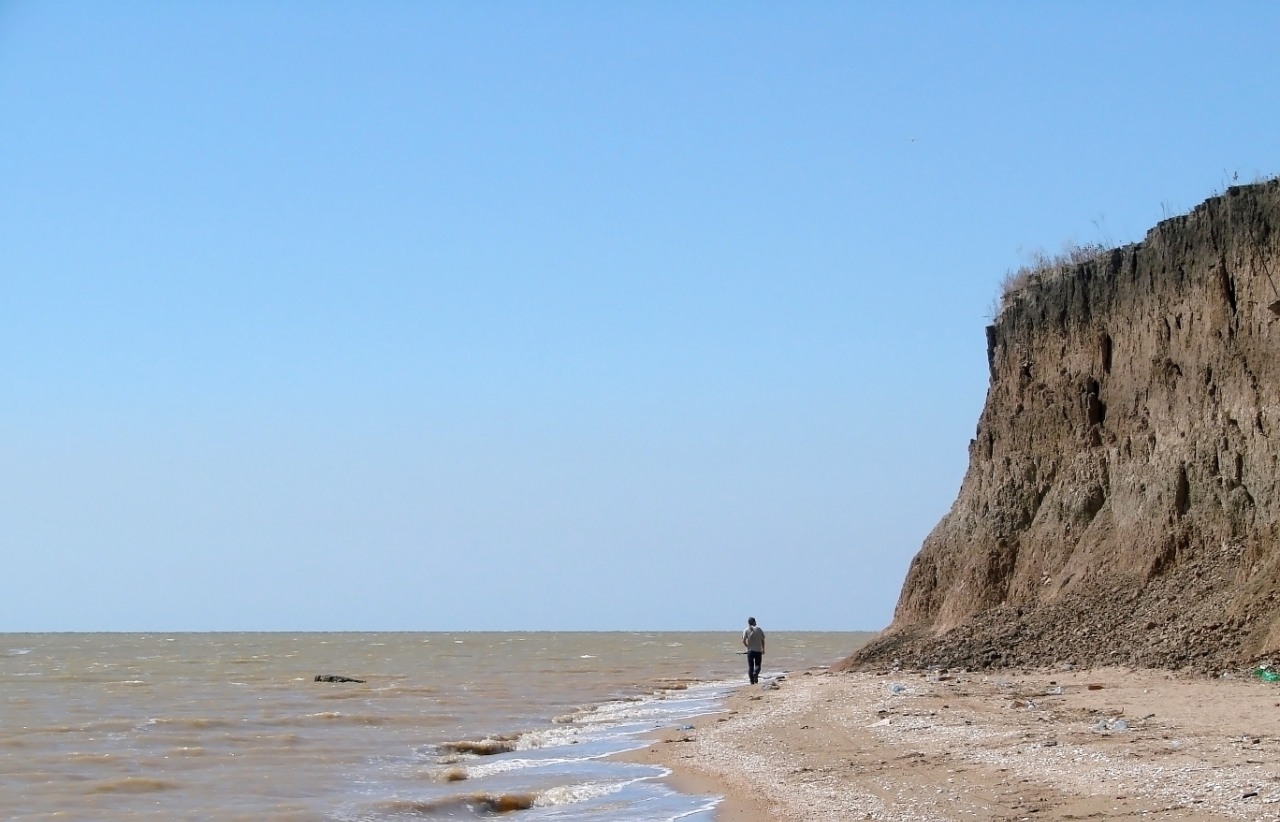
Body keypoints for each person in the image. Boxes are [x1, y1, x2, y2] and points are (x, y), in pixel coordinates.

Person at [742, 617, 765, 684]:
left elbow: (743, 641)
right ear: (754, 622)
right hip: (758, 650)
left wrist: (747, 646)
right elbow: (762, 640)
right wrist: (763, 649)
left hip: (750, 651)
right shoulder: (759, 630)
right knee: (758, 665)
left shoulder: (746, 630)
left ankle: (752, 681)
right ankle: (755, 674)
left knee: (750, 667)